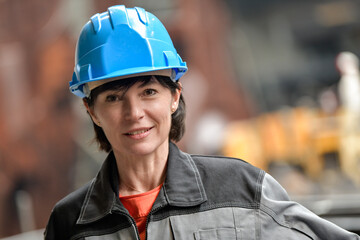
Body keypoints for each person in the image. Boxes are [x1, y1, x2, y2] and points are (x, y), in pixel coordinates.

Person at [44, 5, 360, 240]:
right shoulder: (70, 221)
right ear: (92, 111)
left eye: (149, 92)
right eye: (113, 98)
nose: (134, 112)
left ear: (174, 96)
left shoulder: (241, 189)